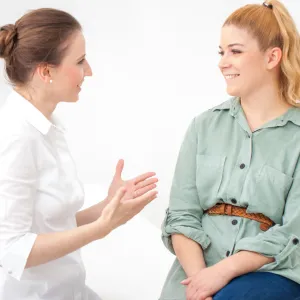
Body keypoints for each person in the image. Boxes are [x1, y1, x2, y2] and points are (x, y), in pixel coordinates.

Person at [0, 8, 158, 300]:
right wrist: (102, 228)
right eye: (80, 61)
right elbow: (11, 250)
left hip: (70, 290)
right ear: (46, 71)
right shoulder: (15, 137)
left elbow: (51, 225)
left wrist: (107, 206)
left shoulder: (46, 126)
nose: (89, 71)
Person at [160, 1, 300, 299]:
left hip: (270, 273)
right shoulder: (203, 126)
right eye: (221, 52)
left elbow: (294, 230)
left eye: (235, 51)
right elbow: (181, 216)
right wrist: (201, 280)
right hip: (194, 273)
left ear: (272, 57)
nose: (223, 62)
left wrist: (222, 273)